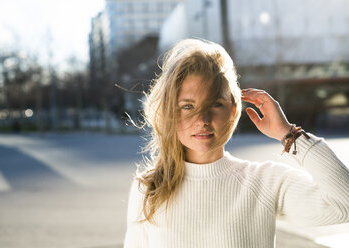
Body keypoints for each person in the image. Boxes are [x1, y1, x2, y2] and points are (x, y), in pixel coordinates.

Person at [123, 39, 349, 248]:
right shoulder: (148, 188)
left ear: (233, 110)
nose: (202, 120)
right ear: (170, 111)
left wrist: (289, 134)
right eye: (188, 106)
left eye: (215, 104)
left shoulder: (264, 182)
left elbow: (343, 205)